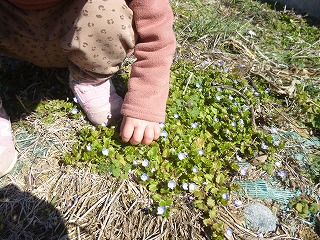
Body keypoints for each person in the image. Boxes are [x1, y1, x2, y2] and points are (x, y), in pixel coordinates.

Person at [0, 0, 176, 177]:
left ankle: (91, 76)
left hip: (81, 25)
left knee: (108, 8)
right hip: (12, 28)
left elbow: (157, 29)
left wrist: (145, 99)